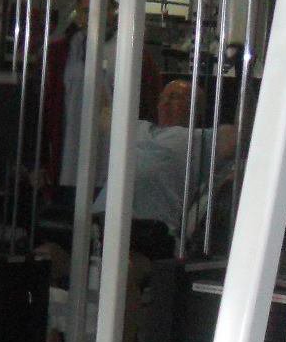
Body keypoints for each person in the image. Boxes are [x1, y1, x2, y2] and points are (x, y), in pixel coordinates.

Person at [92, 77, 239, 251]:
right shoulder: (136, 127)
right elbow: (99, 110)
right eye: (162, 98)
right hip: (101, 219)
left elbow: (240, 135)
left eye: (175, 97)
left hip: (148, 229)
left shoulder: (200, 138)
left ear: (196, 109)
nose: (165, 103)